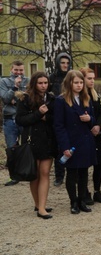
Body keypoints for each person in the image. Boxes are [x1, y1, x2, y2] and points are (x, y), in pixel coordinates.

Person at [53, 70, 96, 214]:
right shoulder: (61, 100)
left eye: (81, 82)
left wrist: (89, 119)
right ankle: (73, 202)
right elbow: (58, 125)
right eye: (76, 82)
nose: (79, 85)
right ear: (69, 83)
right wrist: (64, 146)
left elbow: (93, 119)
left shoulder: (86, 98)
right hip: (71, 142)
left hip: (85, 140)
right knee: (72, 173)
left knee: (84, 172)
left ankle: (82, 200)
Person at [15, 72, 56, 218]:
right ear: (34, 83)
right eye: (40, 83)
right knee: (35, 175)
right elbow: (20, 120)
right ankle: (38, 204)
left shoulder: (51, 98)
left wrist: (47, 117)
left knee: (45, 173)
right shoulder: (25, 99)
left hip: (48, 140)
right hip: (32, 140)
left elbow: (56, 118)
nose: (44, 86)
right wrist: (38, 114)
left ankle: (42, 207)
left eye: (46, 83)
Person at [79, 67, 101, 205]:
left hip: (98, 135)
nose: (92, 81)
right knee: (84, 165)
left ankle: (97, 191)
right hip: (85, 135)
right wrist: (91, 125)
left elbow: (100, 113)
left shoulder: (94, 94)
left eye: (93, 78)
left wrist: (98, 125)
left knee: (98, 165)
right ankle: (84, 191)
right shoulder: (79, 96)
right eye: (89, 78)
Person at [0, 60, 29, 186]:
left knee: (27, 147)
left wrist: (16, 100)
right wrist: (15, 88)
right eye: (16, 70)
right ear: (11, 69)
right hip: (10, 119)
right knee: (12, 148)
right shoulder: (4, 82)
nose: (19, 73)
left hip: (25, 118)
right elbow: (5, 98)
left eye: (21, 70)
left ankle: (27, 172)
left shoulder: (28, 82)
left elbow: (29, 99)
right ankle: (14, 176)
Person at [49, 52, 71, 187]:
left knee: (71, 147)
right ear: (58, 63)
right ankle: (59, 175)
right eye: (63, 62)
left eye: (67, 63)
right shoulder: (52, 77)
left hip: (70, 115)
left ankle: (72, 172)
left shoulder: (71, 77)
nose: (65, 65)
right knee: (58, 148)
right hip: (56, 116)